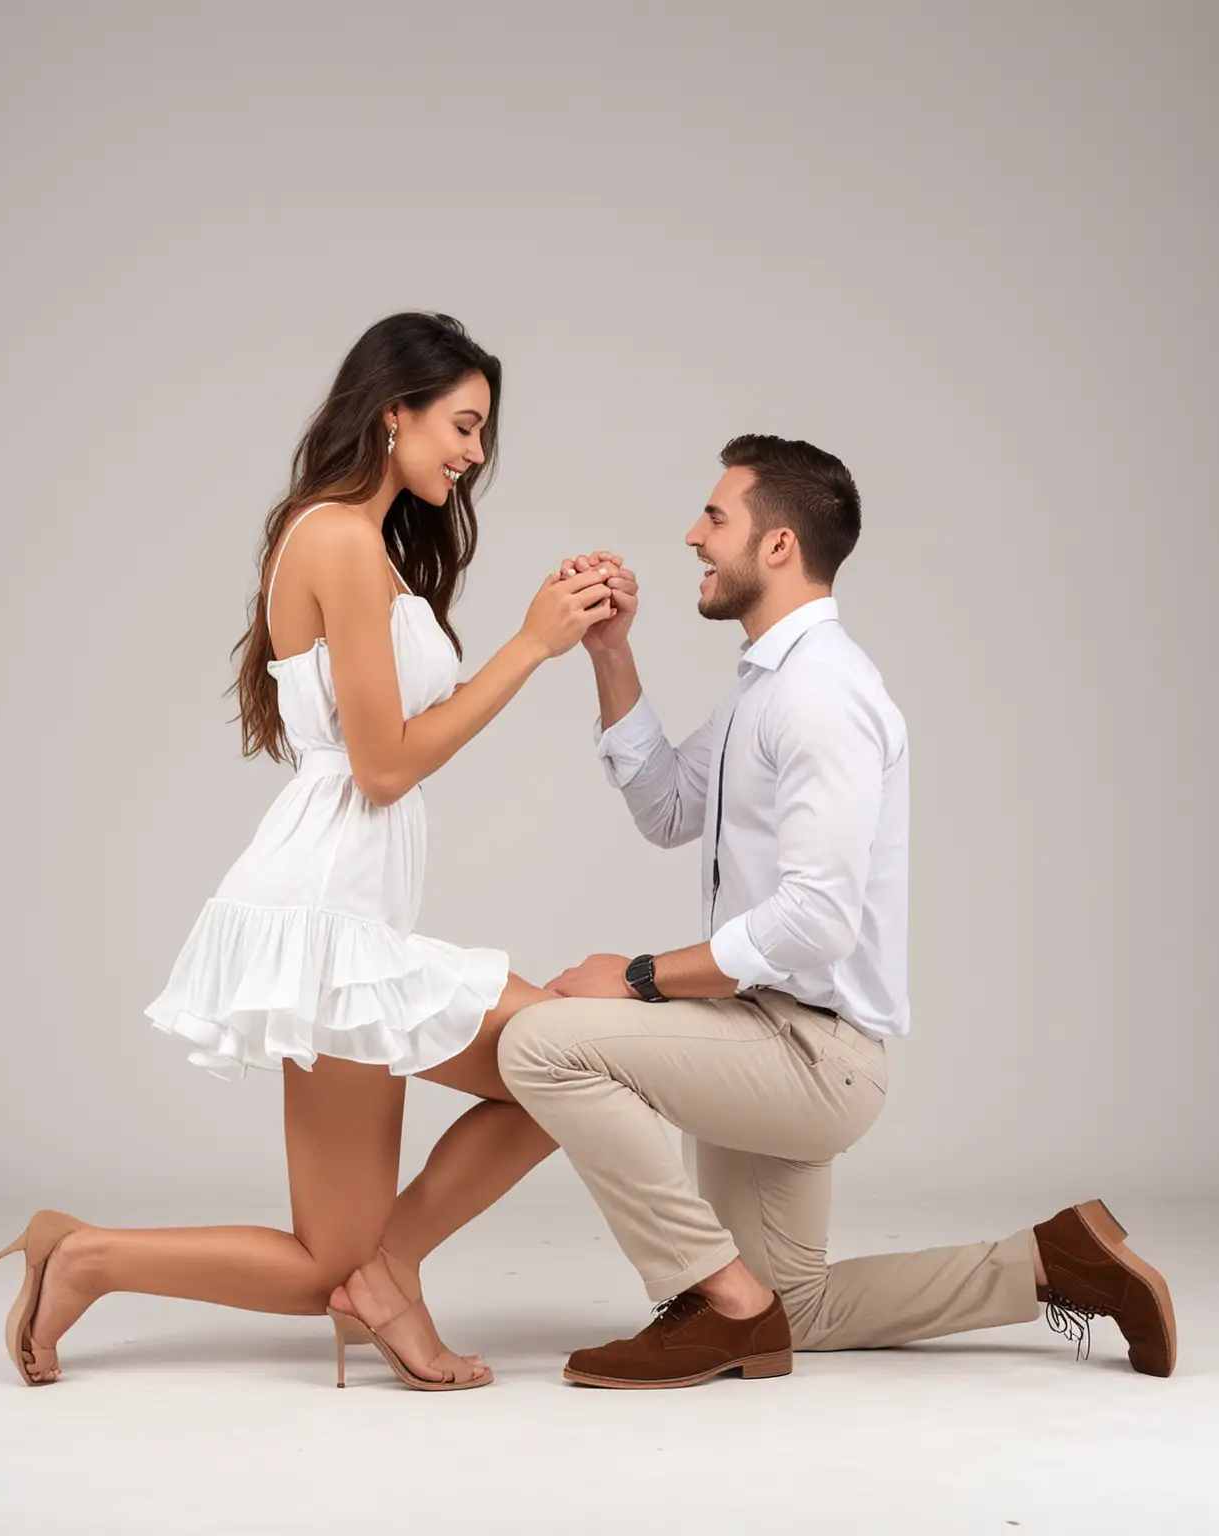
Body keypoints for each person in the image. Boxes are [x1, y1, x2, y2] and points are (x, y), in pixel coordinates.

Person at [0, 312, 628, 1392]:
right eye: (464, 426)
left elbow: (384, 754)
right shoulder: (333, 537)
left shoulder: (354, 540)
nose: (476, 455)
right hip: (325, 913)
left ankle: (130, 1255)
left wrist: (551, 635)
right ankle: (104, 1259)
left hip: (344, 905)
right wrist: (531, 644)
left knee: (352, 1238)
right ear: (394, 412)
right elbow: (382, 767)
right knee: (569, 1059)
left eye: (483, 435)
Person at [500, 434, 1178, 1388]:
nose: (692, 536)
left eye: (716, 517)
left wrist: (640, 980)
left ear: (777, 546)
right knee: (796, 1310)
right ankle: (1052, 1262)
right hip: (758, 1033)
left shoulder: (823, 695)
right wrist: (611, 651)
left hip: (811, 1057)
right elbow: (665, 808)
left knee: (541, 1043)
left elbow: (815, 921)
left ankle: (711, 1304)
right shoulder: (763, 689)